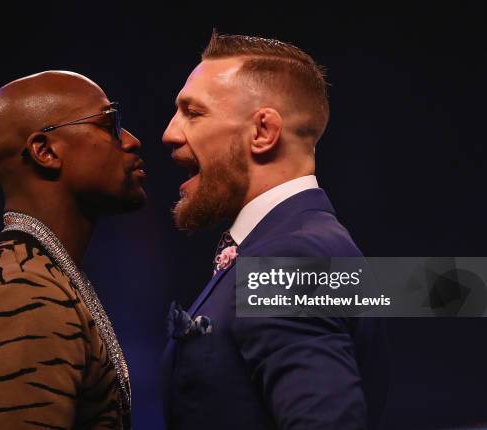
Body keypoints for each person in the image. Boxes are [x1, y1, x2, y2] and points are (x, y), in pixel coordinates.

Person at [161, 32, 388, 429]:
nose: (170, 133)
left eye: (193, 113)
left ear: (263, 131)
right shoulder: (296, 244)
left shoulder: (290, 258)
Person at [0, 70, 146, 429]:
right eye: (108, 124)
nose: (131, 141)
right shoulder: (22, 293)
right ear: (45, 151)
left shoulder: (32, 274)